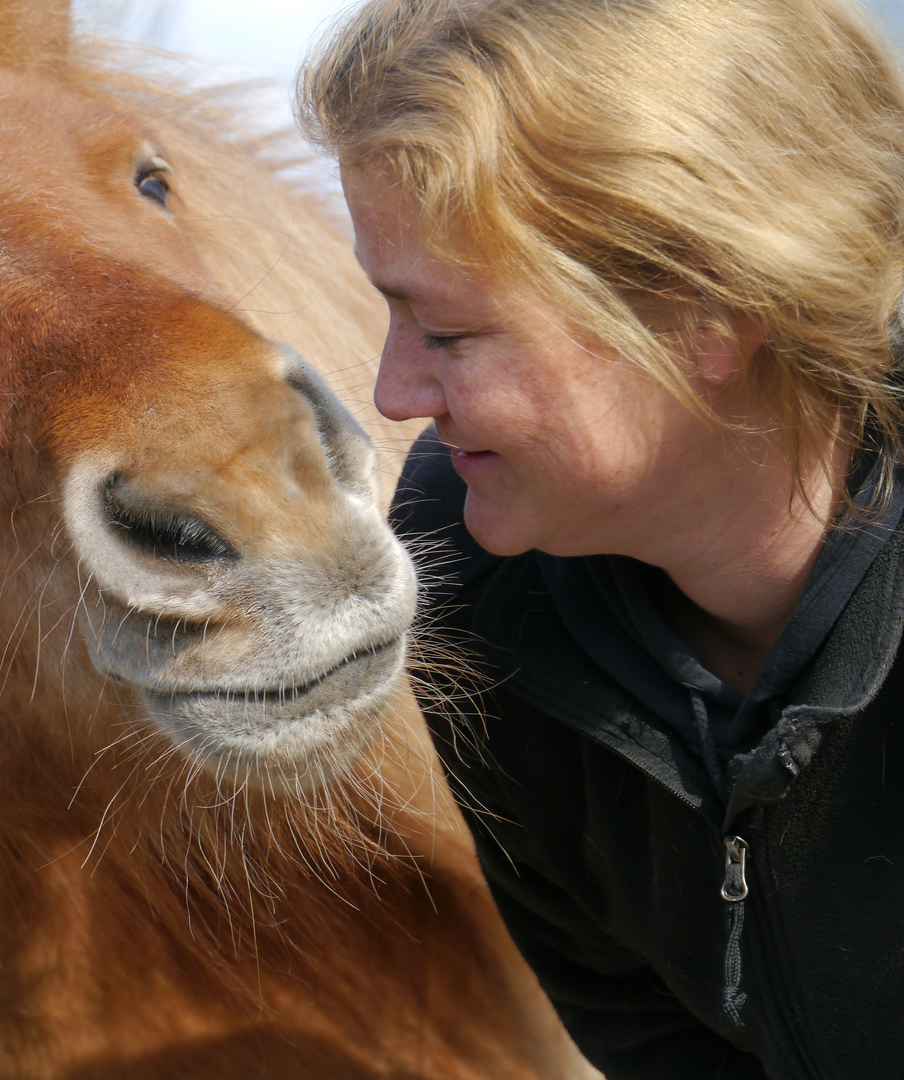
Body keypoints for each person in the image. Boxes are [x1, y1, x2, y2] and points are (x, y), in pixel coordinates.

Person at [297, 0, 904, 1076]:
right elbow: (647, 1032)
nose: (392, 397)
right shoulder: (476, 585)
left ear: (708, 313)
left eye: (447, 331)